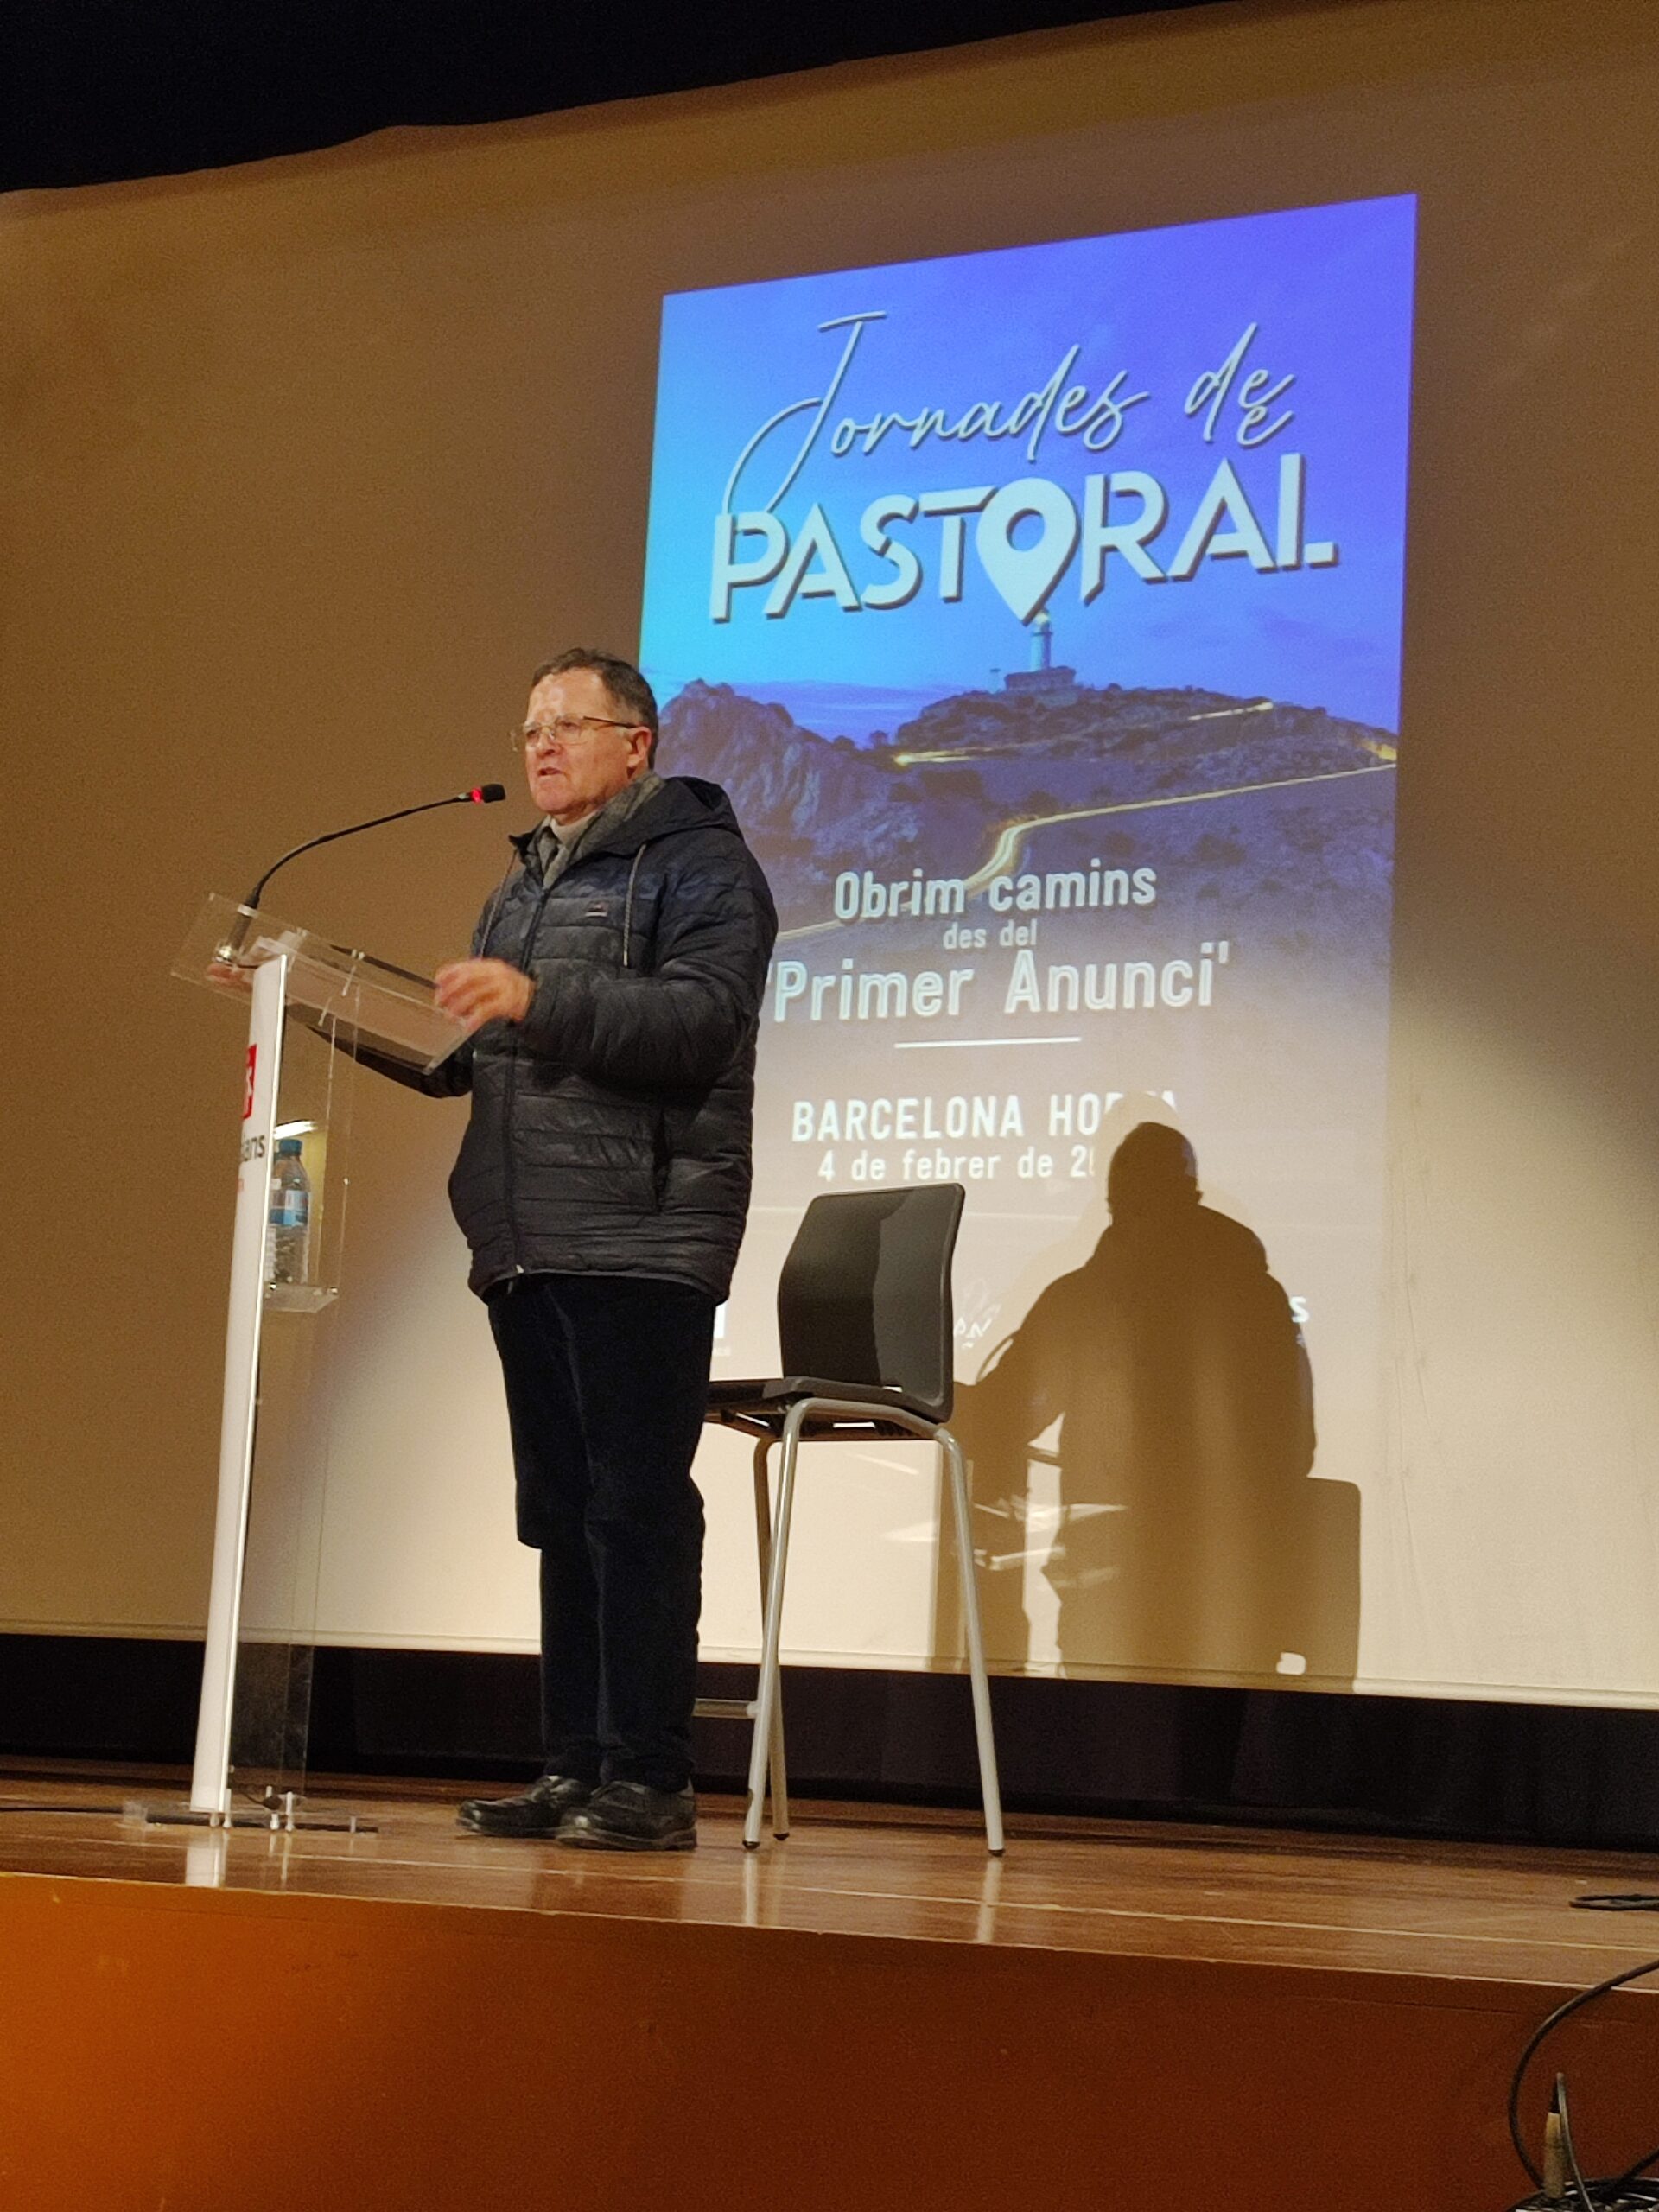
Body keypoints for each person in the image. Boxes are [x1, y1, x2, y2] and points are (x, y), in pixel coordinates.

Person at [372, 647, 776, 1850]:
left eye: (566, 724)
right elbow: (474, 1055)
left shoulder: (702, 864)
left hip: (641, 1229)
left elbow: (701, 1022)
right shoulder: (525, 882)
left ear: (635, 743)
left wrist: (537, 999)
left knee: (633, 1506)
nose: (541, 744)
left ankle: (650, 1779)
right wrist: (325, 1007)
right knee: (560, 1508)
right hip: (526, 1233)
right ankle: (575, 1766)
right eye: (530, 728)